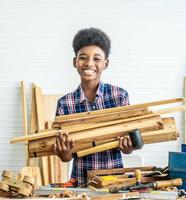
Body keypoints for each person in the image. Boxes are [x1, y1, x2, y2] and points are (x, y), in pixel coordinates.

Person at [53, 27, 133, 186]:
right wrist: (64, 153)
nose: (89, 63)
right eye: (83, 57)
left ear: (106, 63)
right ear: (75, 62)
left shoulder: (119, 96)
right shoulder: (65, 104)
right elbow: (66, 157)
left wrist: (129, 146)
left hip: (114, 184)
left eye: (96, 58)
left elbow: (128, 147)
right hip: (80, 184)